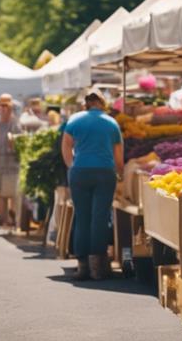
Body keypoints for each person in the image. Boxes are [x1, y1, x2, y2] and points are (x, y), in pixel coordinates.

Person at [61, 90, 124, 280]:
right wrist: (120, 173)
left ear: (86, 104)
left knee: (82, 217)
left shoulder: (74, 120)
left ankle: (82, 266)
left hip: (80, 172)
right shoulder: (111, 123)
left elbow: (65, 146)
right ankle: (98, 266)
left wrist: (72, 166)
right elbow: (118, 155)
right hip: (104, 172)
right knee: (100, 217)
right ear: (102, 104)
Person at [0, 94, 21, 228]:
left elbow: (19, 141)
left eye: (6, 106)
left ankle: (12, 216)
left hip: (12, 162)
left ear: (11, 108)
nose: (4, 109)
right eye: (1, 106)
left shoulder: (15, 123)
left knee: (12, 192)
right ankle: (4, 218)